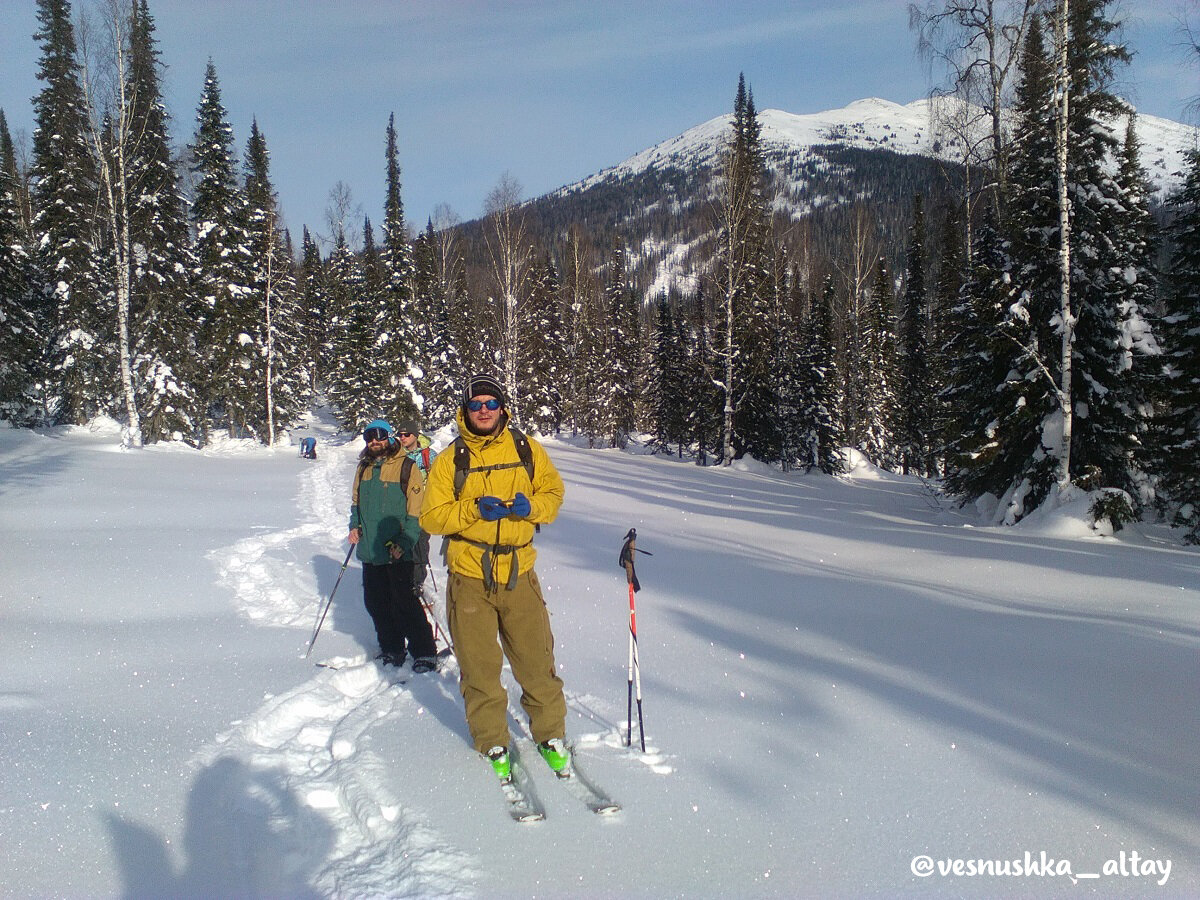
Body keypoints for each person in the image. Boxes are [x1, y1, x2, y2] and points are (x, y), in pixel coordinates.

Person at [419, 374, 570, 781]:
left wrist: (530, 507)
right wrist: (471, 511)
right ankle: (492, 740)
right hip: (470, 576)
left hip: (520, 572)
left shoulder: (526, 449)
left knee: (537, 662)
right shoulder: (453, 458)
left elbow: (553, 495)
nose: (483, 410)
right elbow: (431, 517)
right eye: (476, 404)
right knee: (480, 666)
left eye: (490, 403)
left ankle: (550, 735)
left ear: (503, 408)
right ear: (465, 410)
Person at [348, 418, 438, 673]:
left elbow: (415, 511)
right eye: (369, 437)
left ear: (390, 437)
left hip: (397, 549)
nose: (374, 442)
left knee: (405, 602)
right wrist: (354, 525)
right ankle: (392, 648)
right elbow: (355, 501)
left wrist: (405, 540)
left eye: (379, 436)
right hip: (371, 548)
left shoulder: (408, 467)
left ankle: (424, 652)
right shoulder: (363, 468)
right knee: (376, 602)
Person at [394, 420, 435, 594]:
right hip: (400, 509)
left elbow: (439, 481)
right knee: (400, 546)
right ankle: (400, 580)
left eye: (406, 434)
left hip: (422, 509)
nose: (402, 438)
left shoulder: (429, 455)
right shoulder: (395, 454)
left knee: (420, 547)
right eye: (400, 435)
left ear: (415, 436)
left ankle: (417, 583)